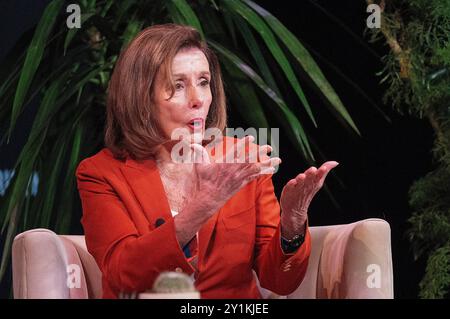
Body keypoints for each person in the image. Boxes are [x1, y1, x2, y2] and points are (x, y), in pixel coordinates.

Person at [75, 23, 339, 299]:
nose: (198, 99)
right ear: (141, 97)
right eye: (178, 85)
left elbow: (280, 280)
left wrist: (292, 222)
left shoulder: (241, 161)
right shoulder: (101, 173)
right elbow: (123, 275)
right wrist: (206, 202)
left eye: (203, 81)